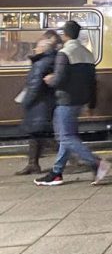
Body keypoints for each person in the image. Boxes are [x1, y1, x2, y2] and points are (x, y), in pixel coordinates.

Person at [35, 21, 111, 186]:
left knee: (65, 136)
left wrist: (50, 79)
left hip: (65, 100)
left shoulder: (65, 53)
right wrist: (91, 104)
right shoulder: (87, 53)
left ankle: (97, 163)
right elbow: (93, 82)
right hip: (80, 102)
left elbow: (59, 79)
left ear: (65, 34)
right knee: (66, 137)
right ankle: (57, 172)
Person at [14, 30, 59, 175]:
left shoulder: (41, 63)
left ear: (44, 47)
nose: (35, 48)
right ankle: (33, 164)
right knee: (37, 134)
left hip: (39, 104)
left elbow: (34, 85)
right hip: (43, 103)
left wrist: (26, 102)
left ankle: (78, 158)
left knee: (43, 134)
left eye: (38, 46)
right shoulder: (48, 60)